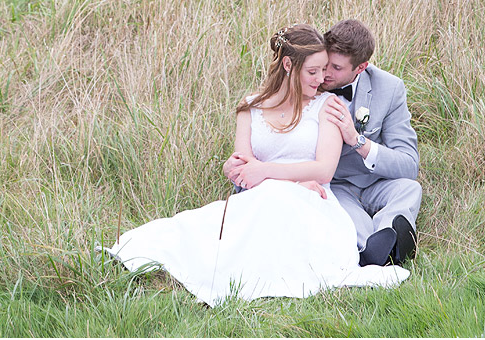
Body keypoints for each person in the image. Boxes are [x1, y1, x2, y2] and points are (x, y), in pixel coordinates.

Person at [104, 24, 409, 306]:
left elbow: (323, 170)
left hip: (313, 199)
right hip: (260, 198)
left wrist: (267, 174)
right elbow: (242, 169)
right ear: (289, 65)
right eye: (314, 71)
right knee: (194, 227)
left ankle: (382, 244)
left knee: (280, 199)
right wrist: (256, 174)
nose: (322, 79)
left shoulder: (328, 105)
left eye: (326, 70)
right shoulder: (250, 107)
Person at [321, 19, 421, 267]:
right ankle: (380, 250)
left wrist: (357, 140)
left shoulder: (389, 88)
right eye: (325, 63)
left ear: (361, 67)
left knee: (410, 189)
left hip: (375, 183)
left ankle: (387, 235)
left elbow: (409, 165)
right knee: (355, 223)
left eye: (335, 67)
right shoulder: (310, 82)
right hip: (337, 185)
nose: (325, 73)